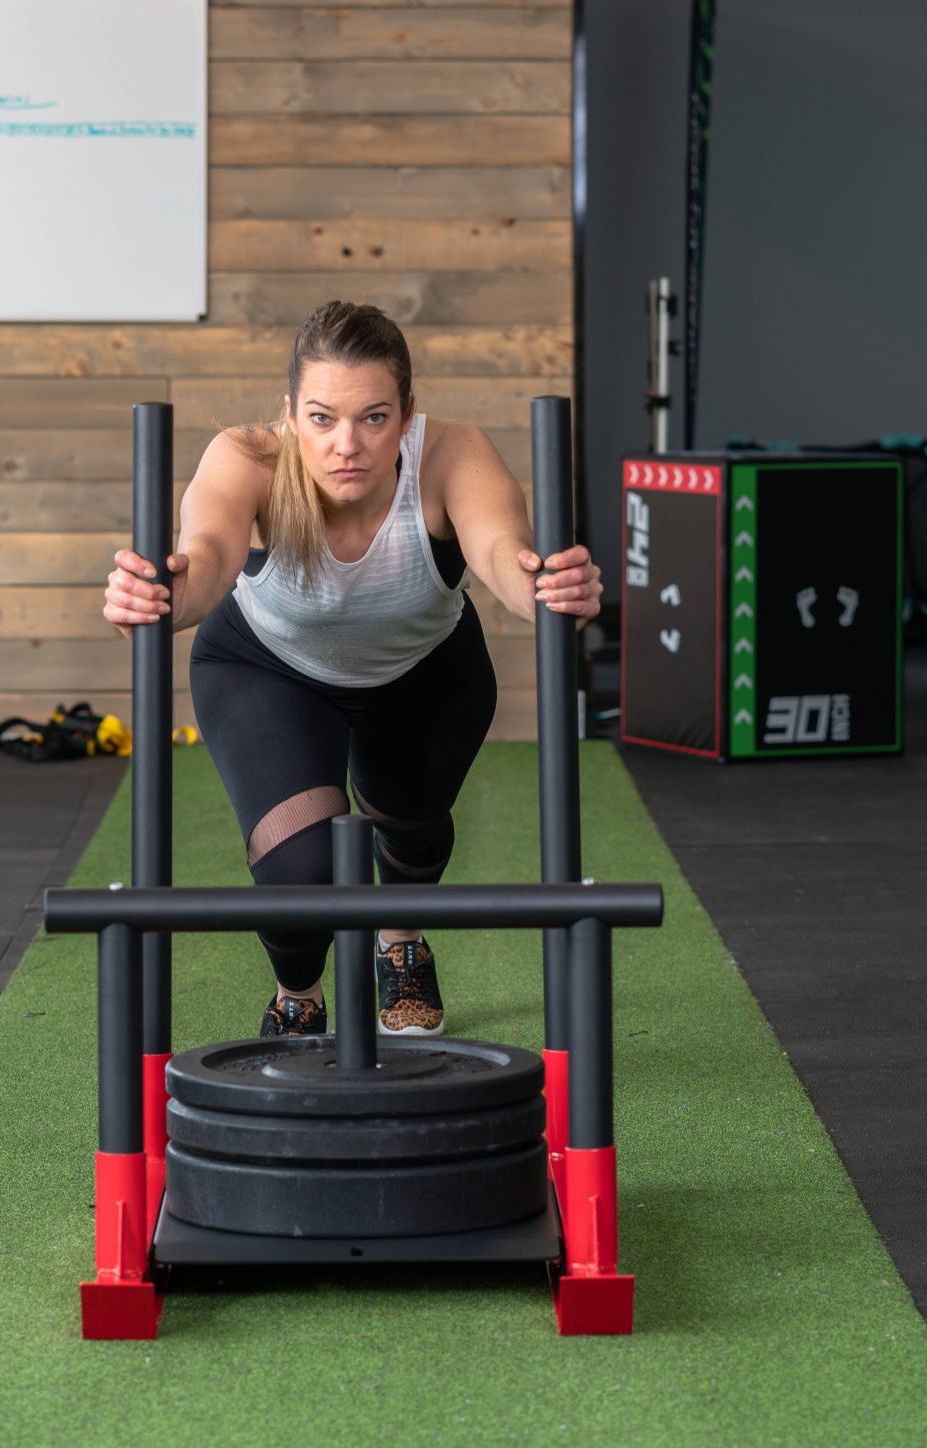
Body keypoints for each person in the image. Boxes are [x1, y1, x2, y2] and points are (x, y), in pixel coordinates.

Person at [104, 301, 601, 1039]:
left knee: (412, 828)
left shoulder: (452, 454)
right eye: (322, 418)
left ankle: (400, 941)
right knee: (301, 870)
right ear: (290, 414)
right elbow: (205, 558)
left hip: (425, 673)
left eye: (373, 418)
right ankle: (297, 993)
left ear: (406, 413)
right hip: (268, 669)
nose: (347, 445)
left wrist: (549, 590)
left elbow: (504, 553)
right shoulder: (248, 459)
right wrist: (158, 597)